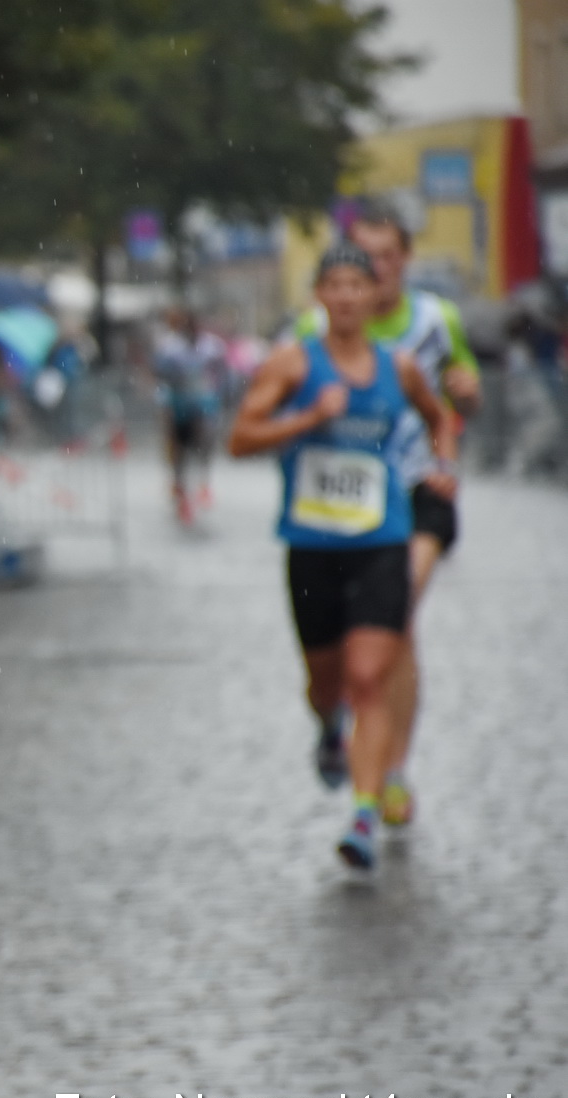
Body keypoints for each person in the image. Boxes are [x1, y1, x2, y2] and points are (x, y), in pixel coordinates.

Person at [229, 245, 457, 871]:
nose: (349, 296)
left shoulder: (400, 366)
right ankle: (329, 725)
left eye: (360, 284)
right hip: (312, 548)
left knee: (368, 678)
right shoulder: (294, 363)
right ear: (321, 296)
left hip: (383, 541)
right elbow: (241, 437)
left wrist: (443, 468)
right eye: (336, 285)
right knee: (326, 682)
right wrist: (305, 418)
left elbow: (439, 417)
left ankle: (363, 811)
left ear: (374, 294)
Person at [294, 200, 481, 826]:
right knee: (371, 644)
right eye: (361, 255)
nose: (372, 267)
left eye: (384, 256)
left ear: (402, 261)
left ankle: (391, 770)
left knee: (397, 615)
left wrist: (457, 423)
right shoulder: (315, 328)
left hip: (420, 491)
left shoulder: (435, 319)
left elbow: (460, 392)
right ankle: (369, 745)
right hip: (352, 504)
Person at [153, 310, 228, 524]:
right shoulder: (170, 347)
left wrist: (220, 394)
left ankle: (202, 482)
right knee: (178, 448)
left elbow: (222, 375)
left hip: (204, 406)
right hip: (178, 406)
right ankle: (180, 486)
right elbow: (161, 374)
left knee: (205, 442)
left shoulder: (212, 347)